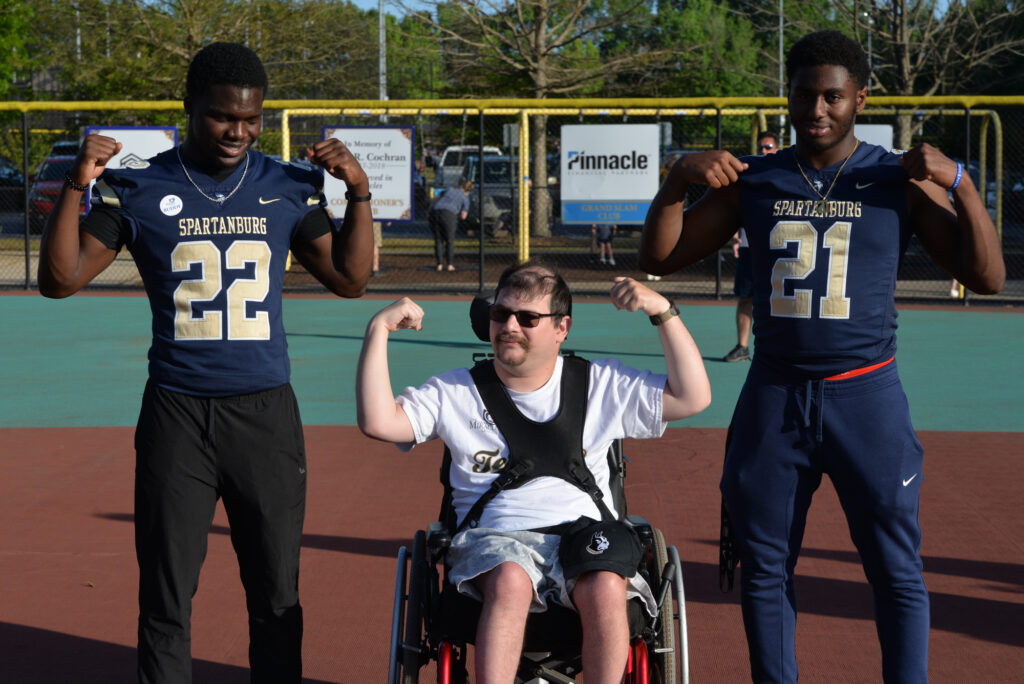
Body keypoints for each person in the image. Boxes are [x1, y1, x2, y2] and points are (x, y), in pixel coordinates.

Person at [640, 30, 1004, 684]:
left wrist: (964, 186)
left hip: (866, 397)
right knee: (765, 567)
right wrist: (674, 182)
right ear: (788, 96)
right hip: (776, 396)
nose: (817, 110)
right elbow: (660, 259)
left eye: (832, 96)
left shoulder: (895, 177)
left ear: (860, 98)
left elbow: (988, 279)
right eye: (804, 95)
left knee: (894, 569)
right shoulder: (757, 179)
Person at [37, 42, 374, 683]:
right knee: (166, 596)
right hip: (176, 415)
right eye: (224, 117)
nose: (239, 132)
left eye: (251, 119)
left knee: (276, 594)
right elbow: (61, 279)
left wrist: (357, 191)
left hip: (265, 414)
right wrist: (77, 184)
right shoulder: (139, 186)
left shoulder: (288, 184)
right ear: (189, 107)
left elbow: (351, 280)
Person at [356, 261, 711, 683]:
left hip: (584, 534)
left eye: (528, 318)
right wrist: (378, 329)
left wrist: (663, 312)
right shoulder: (456, 392)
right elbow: (379, 422)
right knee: (510, 579)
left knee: (605, 585)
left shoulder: (600, 384)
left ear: (562, 327)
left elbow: (692, 397)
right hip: (495, 540)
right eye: (500, 314)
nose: (510, 325)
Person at [723, 131, 781, 363]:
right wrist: (737, 237)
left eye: (768, 147)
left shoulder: (785, 174)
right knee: (746, 298)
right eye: (761, 147)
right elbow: (740, 209)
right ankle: (742, 347)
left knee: (779, 302)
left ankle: (778, 349)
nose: (764, 151)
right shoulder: (750, 174)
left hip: (777, 249)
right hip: (750, 247)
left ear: (777, 148)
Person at [428, 179, 472, 271]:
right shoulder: (465, 198)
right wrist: (457, 217)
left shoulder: (449, 190)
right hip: (449, 215)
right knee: (449, 240)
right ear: (468, 191)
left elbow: (435, 199)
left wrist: (429, 211)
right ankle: (450, 264)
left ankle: (439, 264)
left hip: (435, 212)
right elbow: (464, 216)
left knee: (438, 239)